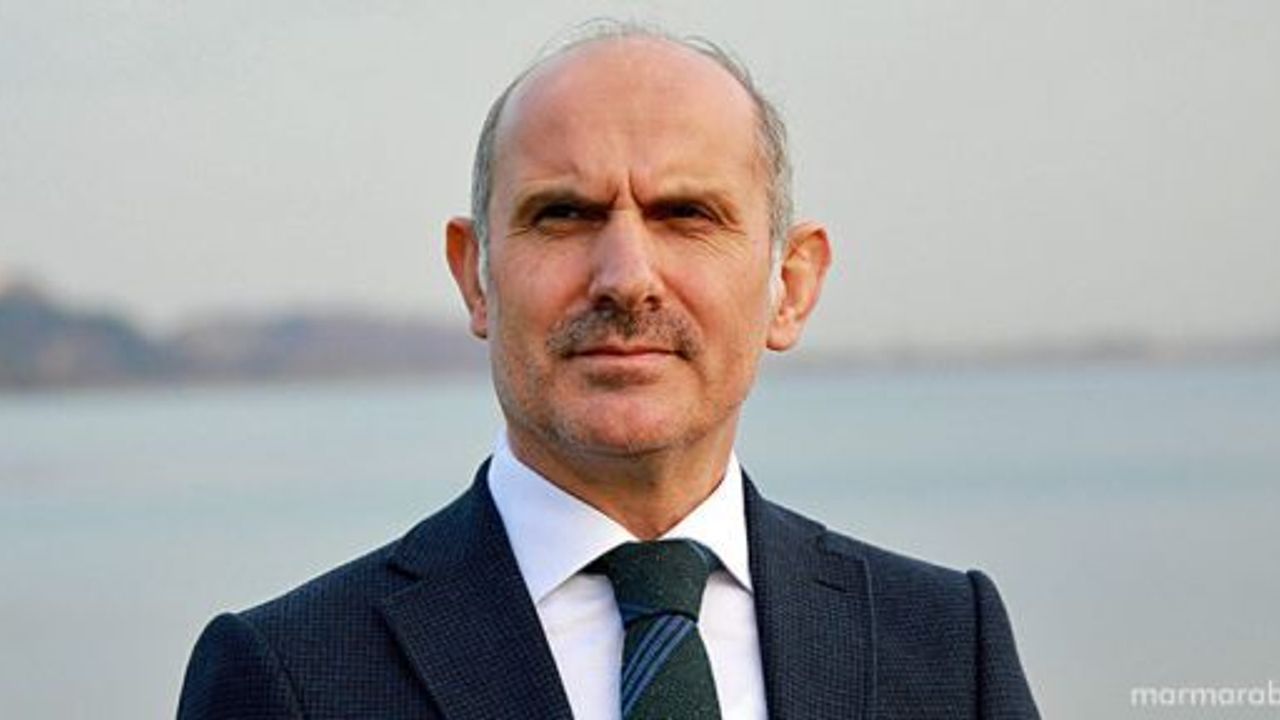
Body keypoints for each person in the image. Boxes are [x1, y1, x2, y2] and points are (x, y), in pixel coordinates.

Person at [178, 23, 1040, 720]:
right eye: (563, 214)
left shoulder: (944, 642)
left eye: (687, 214)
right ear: (475, 276)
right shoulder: (291, 674)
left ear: (791, 285)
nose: (626, 277)